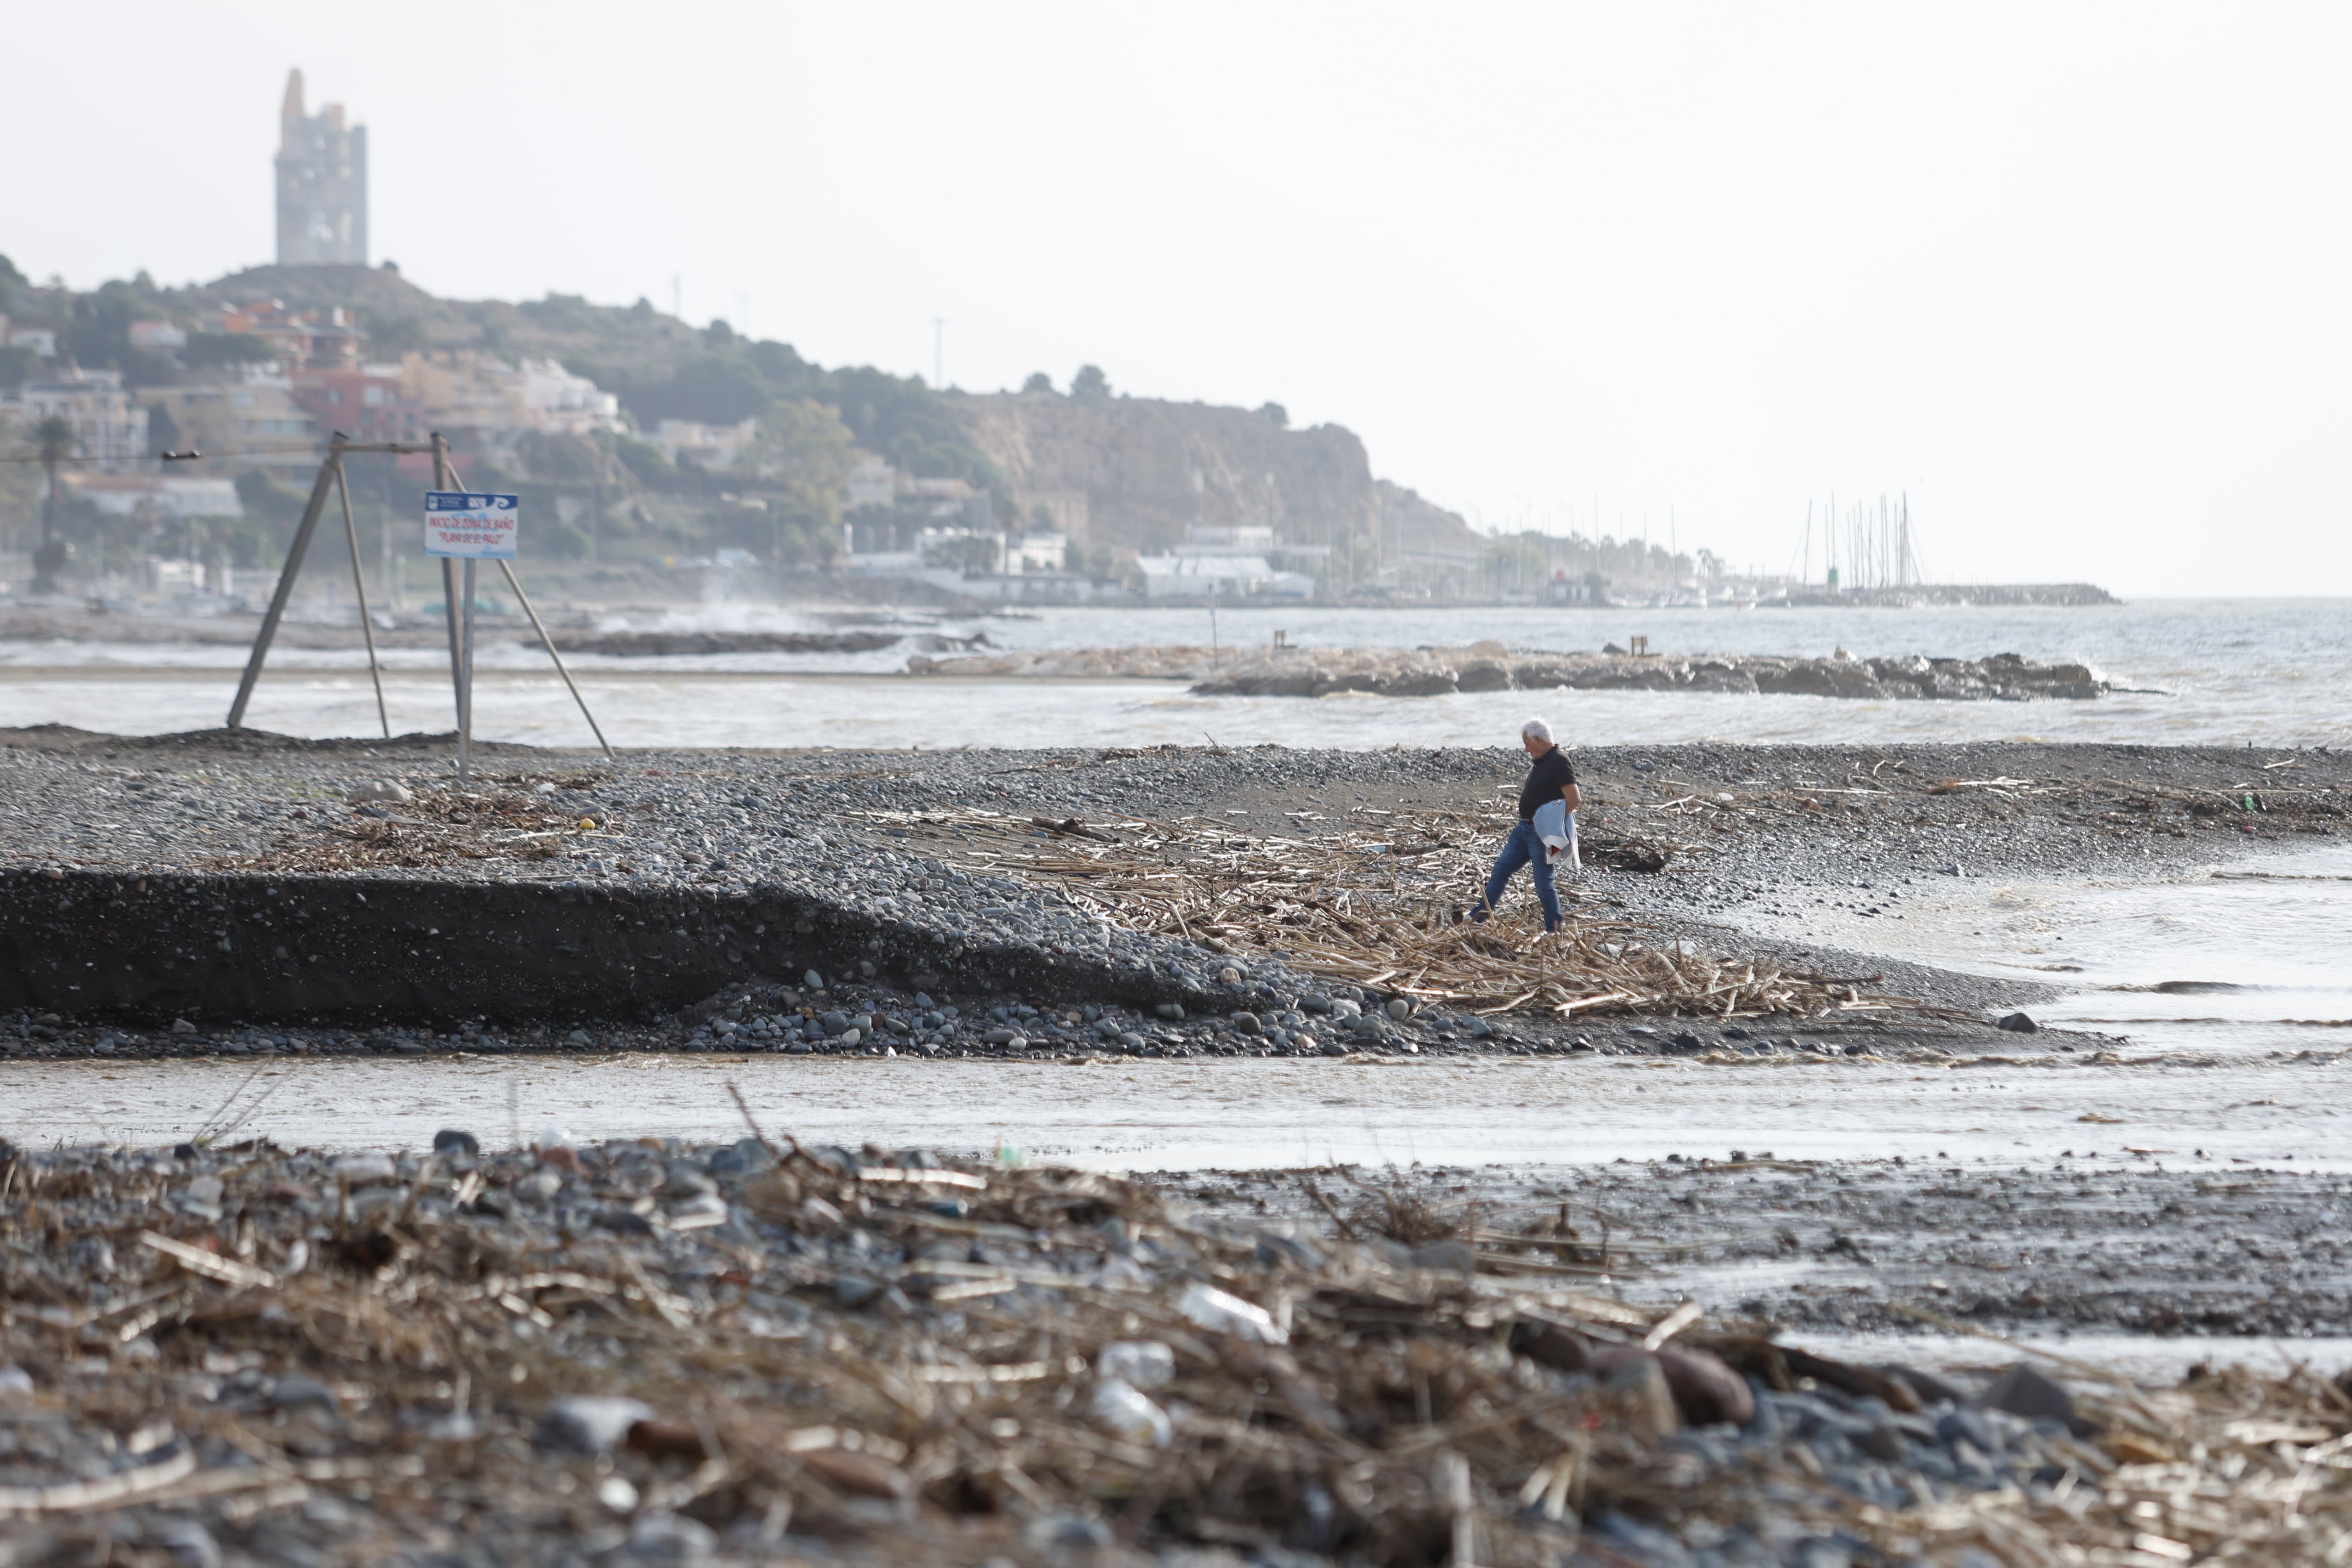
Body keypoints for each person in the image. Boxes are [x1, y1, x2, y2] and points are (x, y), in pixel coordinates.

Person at [1471, 718, 1580, 932]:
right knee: (1501, 869)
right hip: (1523, 830)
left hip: (1541, 834)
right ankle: (1480, 916)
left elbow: (1574, 799)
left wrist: (1550, 824)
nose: (1526, 749)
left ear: (1539, 740)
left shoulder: (1559, 760)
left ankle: (1554, 930)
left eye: (1528, 744)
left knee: (1543, 883)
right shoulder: (1541, 762)